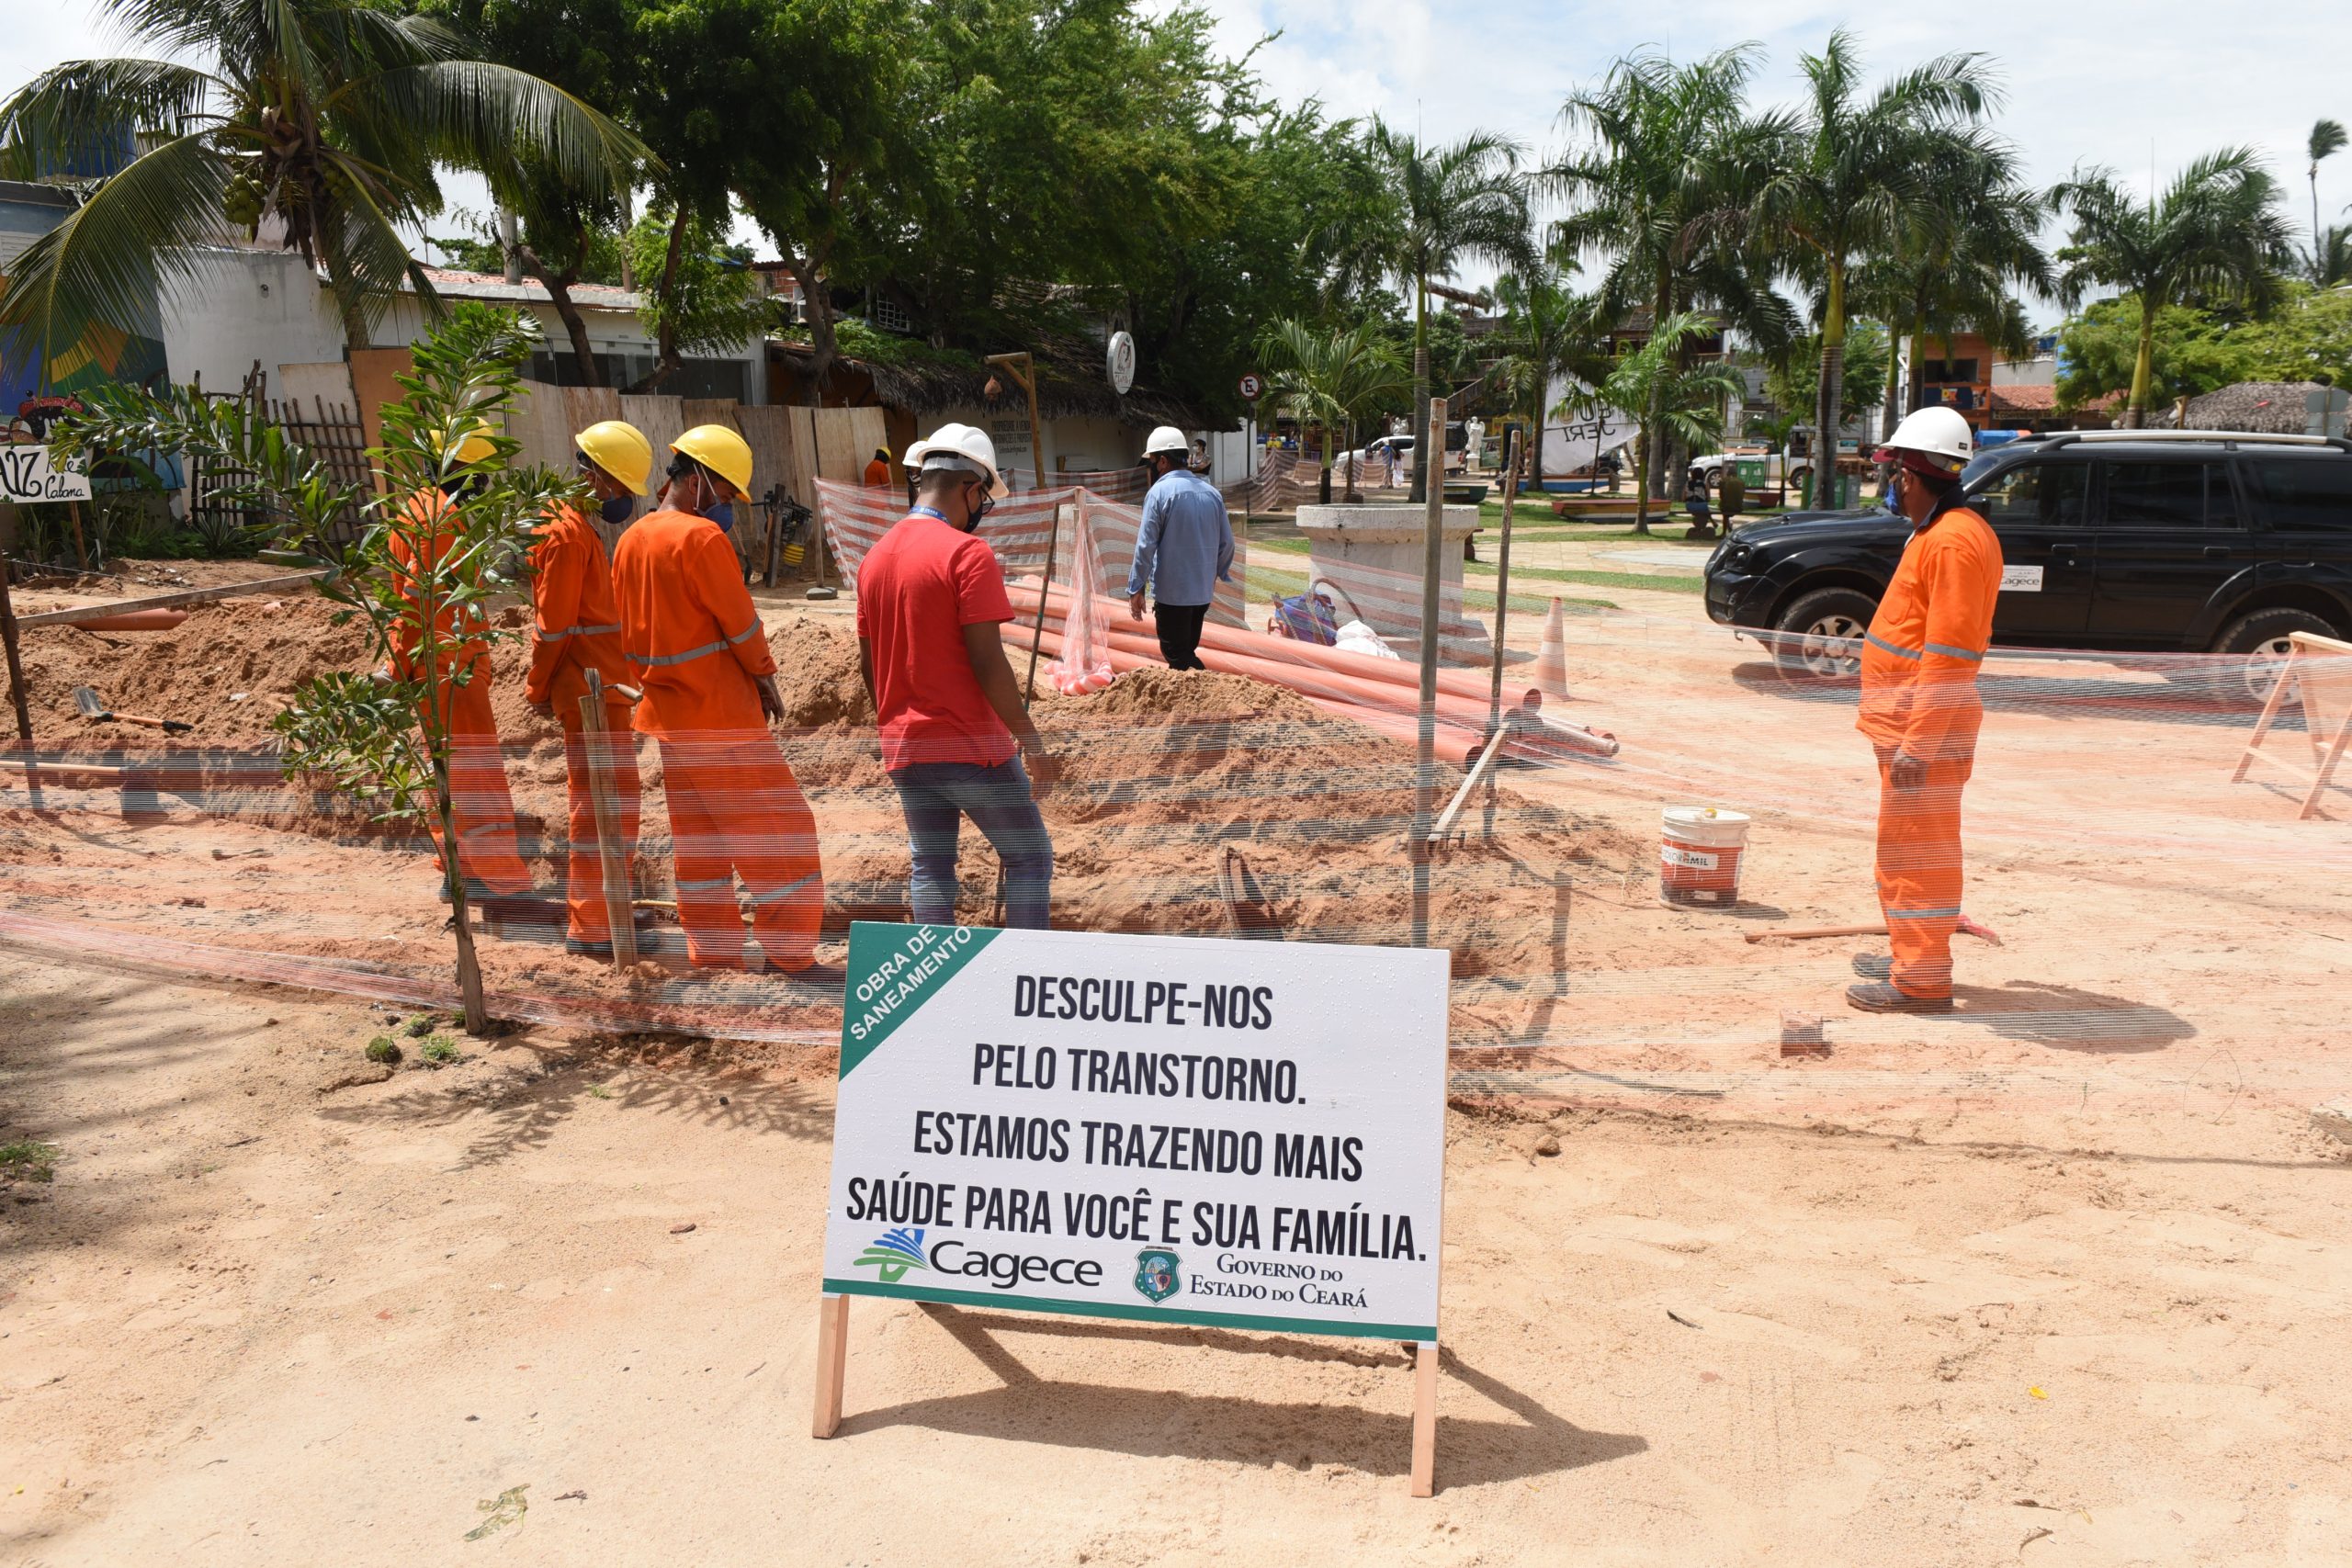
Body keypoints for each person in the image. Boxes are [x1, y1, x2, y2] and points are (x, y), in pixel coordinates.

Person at [612, 424, 830, 976]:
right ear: (699, 480)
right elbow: (741, 624)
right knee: (785, 832)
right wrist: (765, 675)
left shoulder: (631, 539)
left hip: (668, 716)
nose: (729, 506)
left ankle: (713, 951)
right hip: (719, 716)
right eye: (727, 494)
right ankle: (791, 953)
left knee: (701, 843)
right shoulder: (701, 539)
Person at [855, 423, 1060, 930]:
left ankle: (932, 989)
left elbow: (869, 665)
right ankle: (1024, 982)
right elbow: (988, 662)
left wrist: (895, 724)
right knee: (1029, 858)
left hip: (906, 748)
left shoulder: (874, 559)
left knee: (931, 866)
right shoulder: (968, 555)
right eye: (982, 500)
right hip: (971, 747)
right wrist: (1031, 742)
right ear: (971, 489)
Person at [1848, 405, 2002, 1015]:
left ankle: (1921, 979)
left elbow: (1949, 653)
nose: (1892, 488)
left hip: (1923, 731)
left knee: (1919, 853)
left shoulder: (1955, 543)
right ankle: (1907, 951)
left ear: (1911, 477)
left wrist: (1920, 741)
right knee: (1901, 846)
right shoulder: (1940, 535)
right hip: (1908, 724)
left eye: (1894, 476)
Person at [389, 421, 538, 919]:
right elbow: (417, 597)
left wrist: (400, 663)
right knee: (476, 777)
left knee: (446, 776)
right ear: (465, 471)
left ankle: (458, 872)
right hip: (452, 671)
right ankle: (500, 883)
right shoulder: (442, 519)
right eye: (483, 476)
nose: (486, 489)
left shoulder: (410, 510)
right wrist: (398, 663)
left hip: (434, 665)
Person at [526, 420, 648, 957]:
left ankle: (609, 908)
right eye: (620, 487)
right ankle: (594, 924)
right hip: (590, 693)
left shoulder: (572, 526)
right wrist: (537, 686)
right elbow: (554, 627)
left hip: (604, 688)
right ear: (596, 476)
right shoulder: (566, 533)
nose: (622, 499)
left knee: (612, 804)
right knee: (598, 805)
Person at [1126, 424, 1234, 671]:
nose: (1151, 468)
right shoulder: (1212, 494)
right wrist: (1216, 573)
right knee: (1186, 650)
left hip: (1173, 595)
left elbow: (1145, 546)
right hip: (1201, 594)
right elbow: (1227, 543)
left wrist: (1136, 587)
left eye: (1151, 461)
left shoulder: (1159, 493)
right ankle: (1194, 701)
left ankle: (1210, 694)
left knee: (1177, 654)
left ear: (1162, 461)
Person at [1683, 466, 1713, 539]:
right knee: (1705, 510)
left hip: (1689, 506)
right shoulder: (1705, 484)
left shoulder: (1687, 483)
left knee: (1703, 512)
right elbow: (1708, 499)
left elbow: (1683, 498)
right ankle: (1712, 523)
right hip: (1702, 506)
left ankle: (1699, 529)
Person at [1719, 463, 1747, 527]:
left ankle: (1724, 532)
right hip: (1739, 506)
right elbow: (1742, 494)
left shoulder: (1723, 481)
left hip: (1726, 507)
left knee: (1725, 511)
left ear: (1728, 472)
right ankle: (1729, 527)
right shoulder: (1741, 481)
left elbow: (1721, 496)